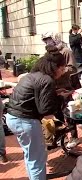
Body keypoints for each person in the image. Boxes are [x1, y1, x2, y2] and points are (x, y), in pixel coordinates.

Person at [5, 45, 67, 180]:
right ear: (55, 67)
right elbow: (46, 111)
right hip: (25, 120)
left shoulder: (33, 75)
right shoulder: (47, 80)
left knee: (31, 155)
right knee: (37, 158)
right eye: (62, 69)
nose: (63, 72)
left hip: (13, 117)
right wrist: (61, 99)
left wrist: (54, 94)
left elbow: (36, 97)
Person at [42, 32, 79, 148]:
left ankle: (74, 137)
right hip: (53, 87)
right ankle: (59, 137)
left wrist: (60, 70)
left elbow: (73, 68)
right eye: (46, 40)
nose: (48, 42)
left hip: (64, 86)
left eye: (49, 39)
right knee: (57, 114)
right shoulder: (48, 53)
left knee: (68, 112)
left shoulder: (66, 51)